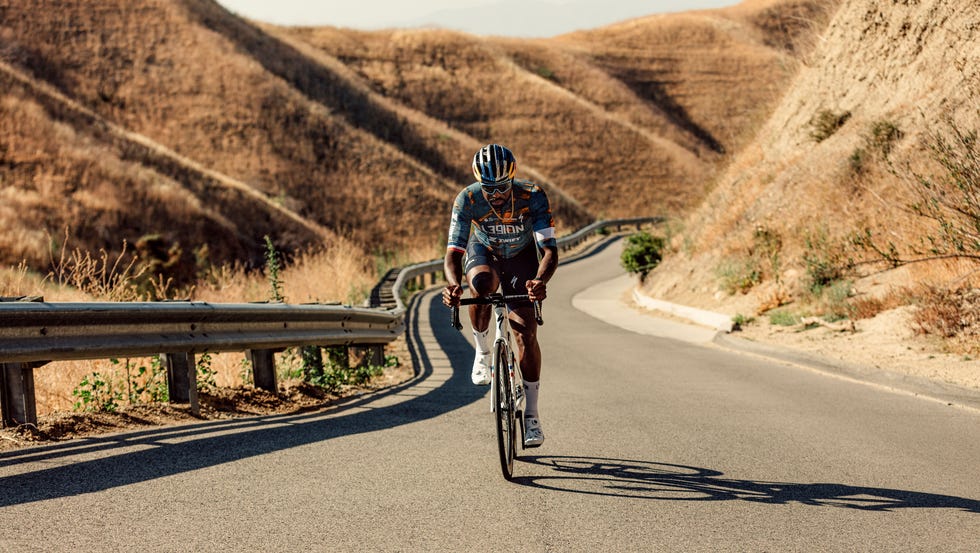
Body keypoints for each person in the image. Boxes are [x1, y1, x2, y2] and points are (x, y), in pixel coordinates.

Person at [442, 143, 559, 448]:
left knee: (525, 334)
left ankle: (532, 416)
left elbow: (549, 250)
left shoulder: (532, 195)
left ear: (513, 178)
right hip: (485, 252)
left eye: (502, 187)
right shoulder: (467, 198)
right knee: (480, 285)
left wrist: (538, 280)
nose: (495, 194)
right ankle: (482, 352)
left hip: (521, 257)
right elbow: (453, 253)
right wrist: (454, 285)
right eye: (488, 188)